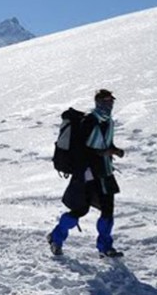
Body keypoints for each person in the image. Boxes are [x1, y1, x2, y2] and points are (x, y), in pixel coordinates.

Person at [48, 89, 126, 257]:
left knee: (108, 210)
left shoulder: (109, 122)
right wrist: (106, 152)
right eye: (106, 101)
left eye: (111, 101)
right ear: (98, 102)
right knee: (80, 210)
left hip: (105, 172)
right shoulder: (89, 121)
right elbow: (81, 150)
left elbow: (106, 144)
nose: (109, 105)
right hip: (87, 174)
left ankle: (105, 247)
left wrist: (113, 150)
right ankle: (56, 237)